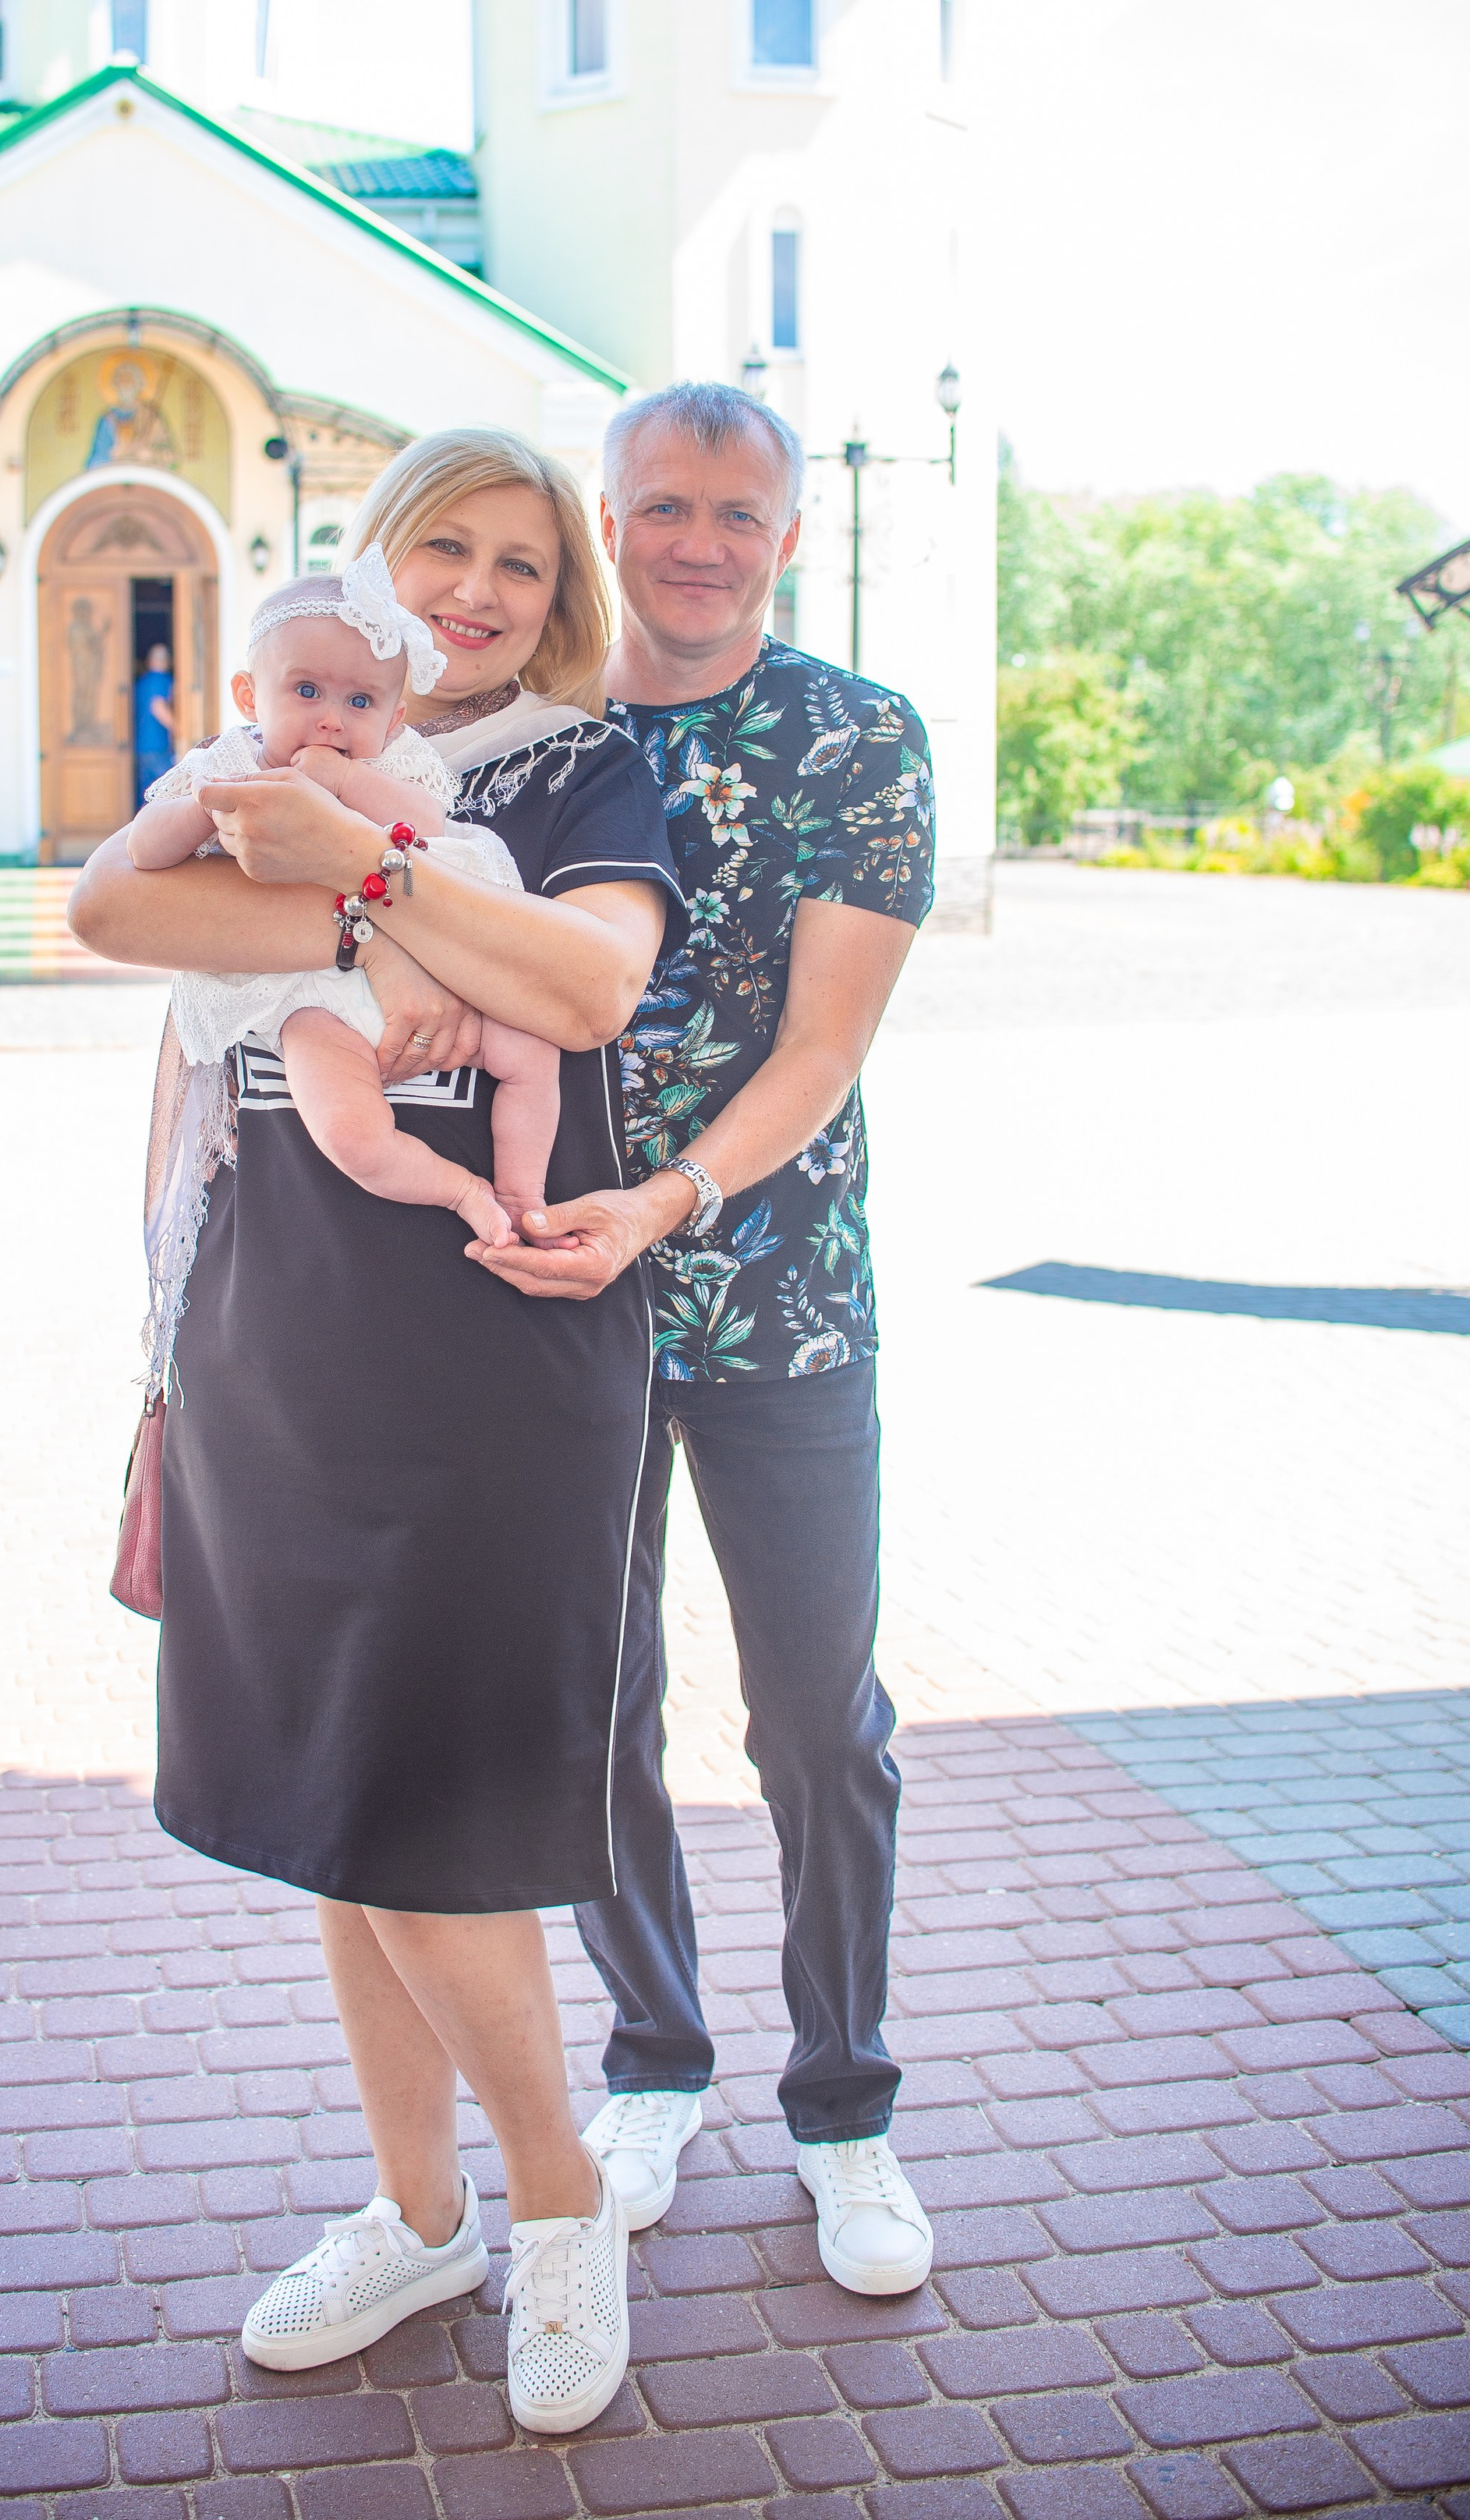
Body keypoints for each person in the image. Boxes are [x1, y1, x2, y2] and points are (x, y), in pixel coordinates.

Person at [68, 430, 687, 2433]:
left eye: (521, 558)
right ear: (374, 551)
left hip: (490, 1320)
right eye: (445, 544)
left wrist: (364, 881)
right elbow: (122, 914)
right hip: (277, 1318)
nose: (475, 588)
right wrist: (373, 940)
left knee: (425, 1792)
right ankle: (418, 2210)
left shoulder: (585, 768)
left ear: (559, 591)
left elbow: (586, 986)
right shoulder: (282, 715)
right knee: (340, 1792)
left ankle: (561, 2203)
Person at [471, 382, 938, 2299]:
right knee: (592, 1707)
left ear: (785, 530)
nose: (690, 540)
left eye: (729, 512)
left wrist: (664, 1202)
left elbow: (819, 1048)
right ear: (609, 511)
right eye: (657, 505)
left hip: (778, 1293)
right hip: (541, 1300)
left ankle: (845, 2104)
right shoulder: (524, 736)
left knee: (815, 1714)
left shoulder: (853, 733)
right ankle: (651, 2057)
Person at [126, 549, 562, 1245]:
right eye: (306, 691)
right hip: (309, 999)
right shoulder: (229, 764)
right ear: (249, 697)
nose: (332, 719)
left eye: (359, 702)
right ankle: (460, 1191)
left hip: (429, 968)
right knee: (351, 1135)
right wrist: (205, 808)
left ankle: (520, 1192)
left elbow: (430, 829)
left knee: (533, 1055)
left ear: (392, 720)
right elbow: (143, 853)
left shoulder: (392, 764)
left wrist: (343, 783)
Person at [133, 638, 175, 805]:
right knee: (164, 794)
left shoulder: (141, 683)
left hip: (142, 747)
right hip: (160, 747)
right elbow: (158, 707)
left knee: (146, 795)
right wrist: (180, 729)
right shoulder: (162, 680)